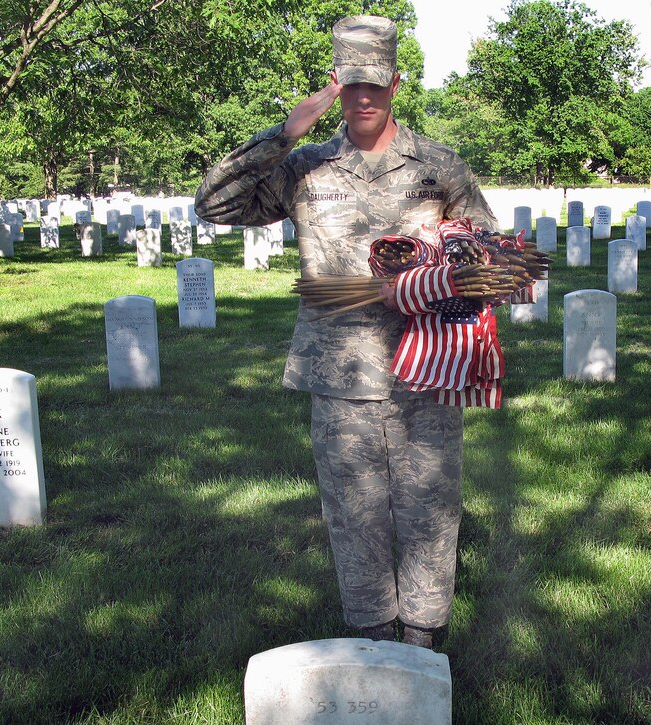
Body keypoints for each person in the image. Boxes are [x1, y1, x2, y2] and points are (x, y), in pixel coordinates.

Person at [195, 15, 496, 648]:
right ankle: (369, 640)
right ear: (337, 82)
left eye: (376, 83)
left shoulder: (437, 165)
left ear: (395, 83)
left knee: (430, 512)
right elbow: (214, 206)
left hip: (426, 368)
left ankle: (423, 642)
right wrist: (284, 132)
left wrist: (451, 272)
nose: (364, 96)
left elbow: (488, 253)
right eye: (351, 83)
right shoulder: (304, 166)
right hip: (340, 371)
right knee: (353, 516)